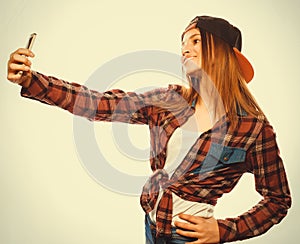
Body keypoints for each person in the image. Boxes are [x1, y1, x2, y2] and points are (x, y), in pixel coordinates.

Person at [7, 15, 291, 244]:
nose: (184, 49)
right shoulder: (170, 100)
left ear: (221, 51)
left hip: (188, 239)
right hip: (152, 228)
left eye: (195, 40)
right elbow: (100, 104)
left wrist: (225, 230)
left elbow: (278, 200)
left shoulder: (254, 129)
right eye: (182, 42)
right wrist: (31, 80)